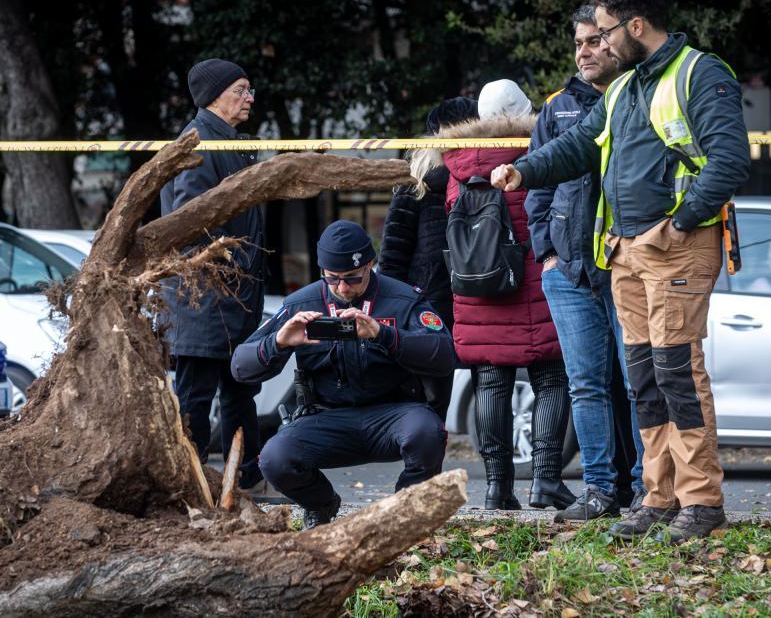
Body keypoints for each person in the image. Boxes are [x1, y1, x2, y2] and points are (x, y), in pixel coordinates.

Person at [491, 0, 750, 542]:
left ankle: (701, 501)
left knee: (678, 372)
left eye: (606, 32)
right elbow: (580, 145)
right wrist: (525, 170)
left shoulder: (699, 74)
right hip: (626, 253)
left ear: (636, 27)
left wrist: (678, 225)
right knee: (644, 378)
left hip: (675, 246)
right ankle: (657, 498)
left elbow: (729, 162)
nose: (600, 45)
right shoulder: (624, 86)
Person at [231, 221, 456, 528]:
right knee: (275, 458)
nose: (342, 288)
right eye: (332, 279)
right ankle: (321, 505)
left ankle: (403, 516)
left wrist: (383, 335)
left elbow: (444, 355)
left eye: (352, 278)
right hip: (327, 418)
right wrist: (279, 343)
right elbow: (240, 367)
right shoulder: (302, 303)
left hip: (392, 416)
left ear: (370, 264)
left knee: (427, 433)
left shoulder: (404, 300)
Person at [524, 5, 645, 521]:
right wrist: (546, 255)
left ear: (618, 41)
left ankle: (649, 491)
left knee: (640, 382)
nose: (584, 51)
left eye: (595, 41)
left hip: (628, 266)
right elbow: (539, 187)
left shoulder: (642, 97)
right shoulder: (558, 107)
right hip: (569, 273)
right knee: (587, 385)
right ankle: (599, 492)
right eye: (578, 43)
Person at [429, 79, 572, 511]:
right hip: (532, 284)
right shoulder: (538, 153)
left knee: (490, 381)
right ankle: (545, 479)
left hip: (477, 289)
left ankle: (497, 488)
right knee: (551, 378)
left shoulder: (454, 163)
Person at [159, 58, 266, 491]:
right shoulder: (199, 143)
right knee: (195, 400)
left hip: (233, 298)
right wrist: (236, 267)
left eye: (249, 89)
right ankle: (189, 483)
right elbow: (193, 222)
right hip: (202, 299)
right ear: (214, 96)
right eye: (241, 89)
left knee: (240, 391)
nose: (249, 97)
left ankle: (246, 479)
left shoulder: (230, 142)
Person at [379, 97, 478, 417]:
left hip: (462, 303)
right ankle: (427, 464)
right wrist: (393, 312)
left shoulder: (485, 178)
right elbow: (393, 255)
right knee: (428, 399)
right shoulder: (415, 186)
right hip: (429, 310)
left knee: (440, 399)